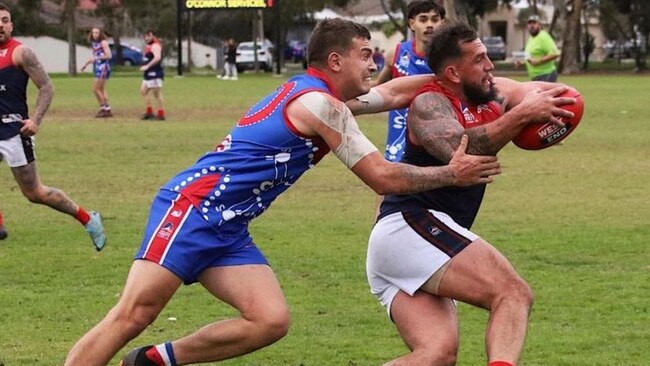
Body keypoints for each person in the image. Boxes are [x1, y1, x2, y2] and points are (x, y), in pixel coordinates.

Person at [64, 18, 501, 366]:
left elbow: (396, 91)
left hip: (230, 226)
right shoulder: (320, 105)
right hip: (195, 207)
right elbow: (383, 177)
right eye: (365, 56)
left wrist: (478, 87)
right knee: (133, 315)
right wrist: (452, 173)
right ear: (335, 61)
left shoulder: (324, 97)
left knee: (269, 320)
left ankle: (156, 360)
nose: (373, 64)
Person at [366, 22, 576, 366]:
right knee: (512, 292)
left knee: (437, 355)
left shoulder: (490, 95)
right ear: (453, 71)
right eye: (479, 59)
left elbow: (548, 94)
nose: (490, 65)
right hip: (407, 227)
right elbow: (461, 148)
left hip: (408, 242)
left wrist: (552, 116)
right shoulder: (430, 103)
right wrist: (521, 115)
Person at [0, 3, 106, 250]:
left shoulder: (20, 53)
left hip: (15, 133)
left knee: (35, 193)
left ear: (11, 25)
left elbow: (47, 87)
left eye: (5, 20)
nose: (0, 25)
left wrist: (35, 120)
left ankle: (88, 219)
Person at [374, 0, 445, 162]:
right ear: (412, 24)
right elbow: (378, 87)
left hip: (436, 136)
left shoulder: (448, 60)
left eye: (435, 20)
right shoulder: (396, 53)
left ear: (442, 24)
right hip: (400, 135)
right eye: (423, 19)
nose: (430, 25)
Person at [81, 27, 113, 118]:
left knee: (95, 89)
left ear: (100, 34)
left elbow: (109, 55)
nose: (95, 35)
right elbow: (95, 57)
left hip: (103, 67)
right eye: (93, 33)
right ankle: (107, 109)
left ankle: (103, 108)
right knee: (101, 89)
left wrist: (96, 59)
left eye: (97, 33)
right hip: (98, 66)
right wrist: (86, 65)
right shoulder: (94, 43)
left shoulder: (103, 42)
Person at [522, 15, 560, 81]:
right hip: (536, 76)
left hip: (546, 74)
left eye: (534, 23)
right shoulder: (531, 38)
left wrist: (539, 61)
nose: (531, 26)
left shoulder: (543, 37)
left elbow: (555, 53)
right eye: (529, 23)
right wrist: (522, 63)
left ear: (539, 25)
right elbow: (533, 57)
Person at [140, 30, 165, 120]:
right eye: (146, 36)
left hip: (155, 73)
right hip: (148, 73)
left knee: (156, 94)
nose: (147, 38)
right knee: (143, 91)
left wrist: (147, 66)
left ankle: (161, 114)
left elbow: (157, 57)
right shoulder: (148, 46)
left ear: (153, 36)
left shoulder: (155, 45)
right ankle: (149, 112)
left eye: (149, 36)